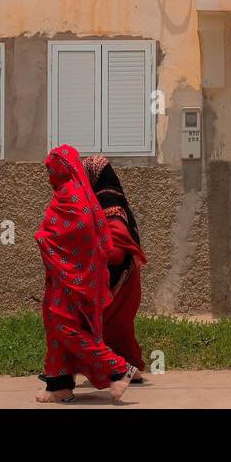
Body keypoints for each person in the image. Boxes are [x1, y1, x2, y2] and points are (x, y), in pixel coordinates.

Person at [35, 145, 138, 403]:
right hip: (63, 277)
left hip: (75, 278)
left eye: (52, 168)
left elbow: (79, 233)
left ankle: (118, 367)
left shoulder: (73, 195)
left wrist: (43, 239)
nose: (48, 175)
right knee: (54, 327)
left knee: (66, 327)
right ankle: (59, 384)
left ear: (64, 168)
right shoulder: (71, 193)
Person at [85, 154, 148, 380]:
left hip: (117, 278)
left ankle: (122, 371)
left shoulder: (107, 203)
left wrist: (93, 256)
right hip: (128, 277)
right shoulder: (117, 198)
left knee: (106, 327)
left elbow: (116, 249)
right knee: (119, 328)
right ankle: (130, 370)